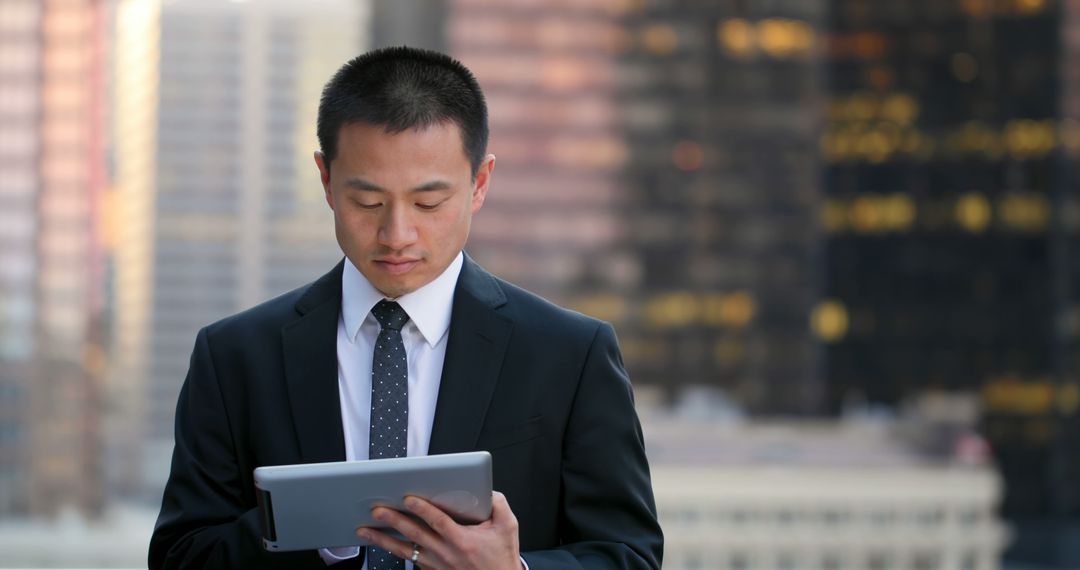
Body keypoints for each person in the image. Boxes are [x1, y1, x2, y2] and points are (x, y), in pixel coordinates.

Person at [149, 46, 663, 570]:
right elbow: (179, 557)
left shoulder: (569, 355)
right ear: (326, 181)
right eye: (368, 202)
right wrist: (310, 523)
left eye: (428, 203)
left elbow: (630, 556)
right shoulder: (233, 356)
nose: (397, 235)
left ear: (479, 184)